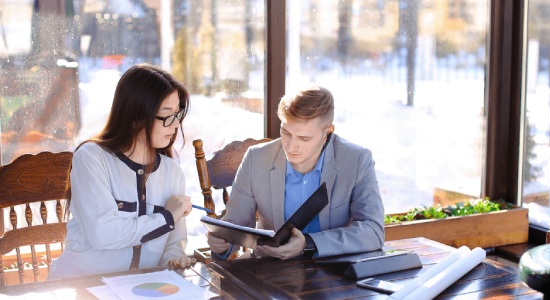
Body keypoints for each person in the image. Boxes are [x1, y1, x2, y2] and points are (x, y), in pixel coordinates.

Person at [49, 64, 195, 279]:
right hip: (82, 285)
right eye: (167, 115)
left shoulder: (172, 172)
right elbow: (103, 234)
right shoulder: (91, 157)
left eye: (177, 114)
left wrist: (173, 259)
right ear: (136, 117)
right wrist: (166, 217)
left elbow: (173, 244)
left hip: (139, 288)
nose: (175, 126)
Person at [207, 84, 384, 260]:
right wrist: (222, 244)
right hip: (268, 269)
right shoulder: (256, 159)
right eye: (285, 132)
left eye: (304, 138)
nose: (291, 146)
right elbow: (235, 226)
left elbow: (373, 231)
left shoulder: (357, 160)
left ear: (328, 133)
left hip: (334, 272)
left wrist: (309, 243)